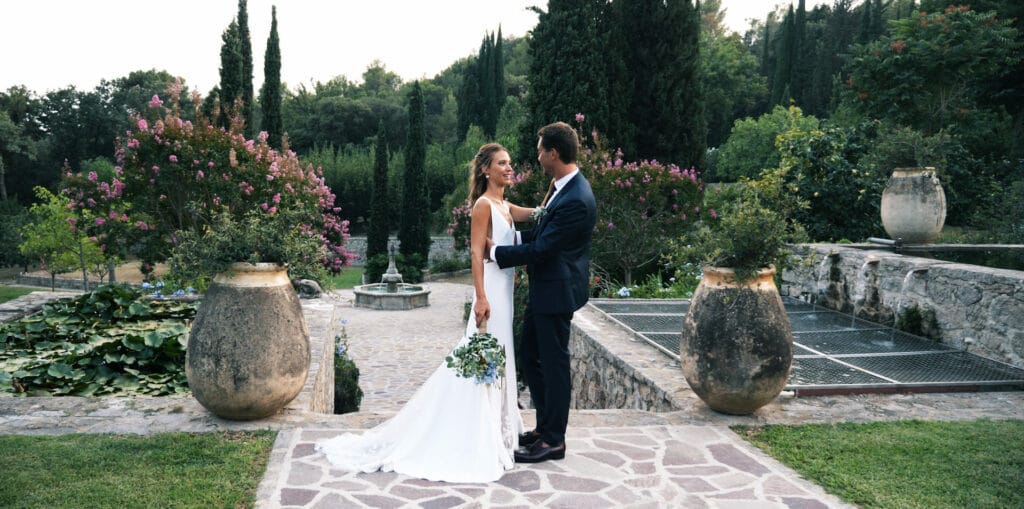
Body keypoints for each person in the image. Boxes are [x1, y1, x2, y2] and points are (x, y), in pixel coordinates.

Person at [316, 143, 534, 483]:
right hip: (491, 292)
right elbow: (476, 256)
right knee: (482, 359)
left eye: (510, 163)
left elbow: (532, 213)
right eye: (502, 163)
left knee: (499, 358)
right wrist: (479, 297)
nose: (509, 168)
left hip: (505, 294)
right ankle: (476, 433)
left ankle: (501, 428)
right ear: (485, 170)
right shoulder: (482, 206)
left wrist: (557, 205)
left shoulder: (504, 205)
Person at [488, 121, 597, 463]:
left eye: (539, 151)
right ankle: (543, 426)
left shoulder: (576, 198)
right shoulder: (560, 186)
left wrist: (496, 253)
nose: (536, 157)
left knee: (553, 365)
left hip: (556, 292)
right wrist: (512, 239)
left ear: (553, 153)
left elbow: (544, 250)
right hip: (545, 289)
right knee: (531, 355)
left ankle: (554, 440)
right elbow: (540, 233)